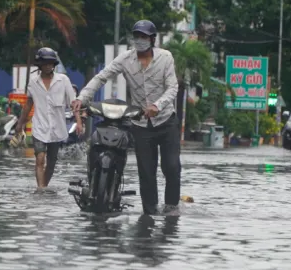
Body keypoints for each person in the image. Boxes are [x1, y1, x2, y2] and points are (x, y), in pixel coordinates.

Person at [71, 20, 181, 218]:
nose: (140, 41)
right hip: (140, 123)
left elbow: (173, 87)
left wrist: (158, 105)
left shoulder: (166, 58)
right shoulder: (125, 59)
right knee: (146, 172)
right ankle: (150, 212)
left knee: (171, 166)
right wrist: (82, 98)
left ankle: (171, 208)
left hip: (166, 121)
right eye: (137, 36)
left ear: (152, 39)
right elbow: (101, 77)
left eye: (144, 37)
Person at [16, 47, 83, 191]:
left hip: (57, 128)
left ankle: (44, 187)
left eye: (51, 63)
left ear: (54, 64)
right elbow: (28, 105)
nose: (48, 66)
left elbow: (73, 102)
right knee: (40, 158)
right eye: (45, 63)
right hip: (39, 127)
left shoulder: (63, 80)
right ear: (40, 65)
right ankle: (41, 190)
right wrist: (20, 124)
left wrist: (78, 122)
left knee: (51, 162)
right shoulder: (33, 82)